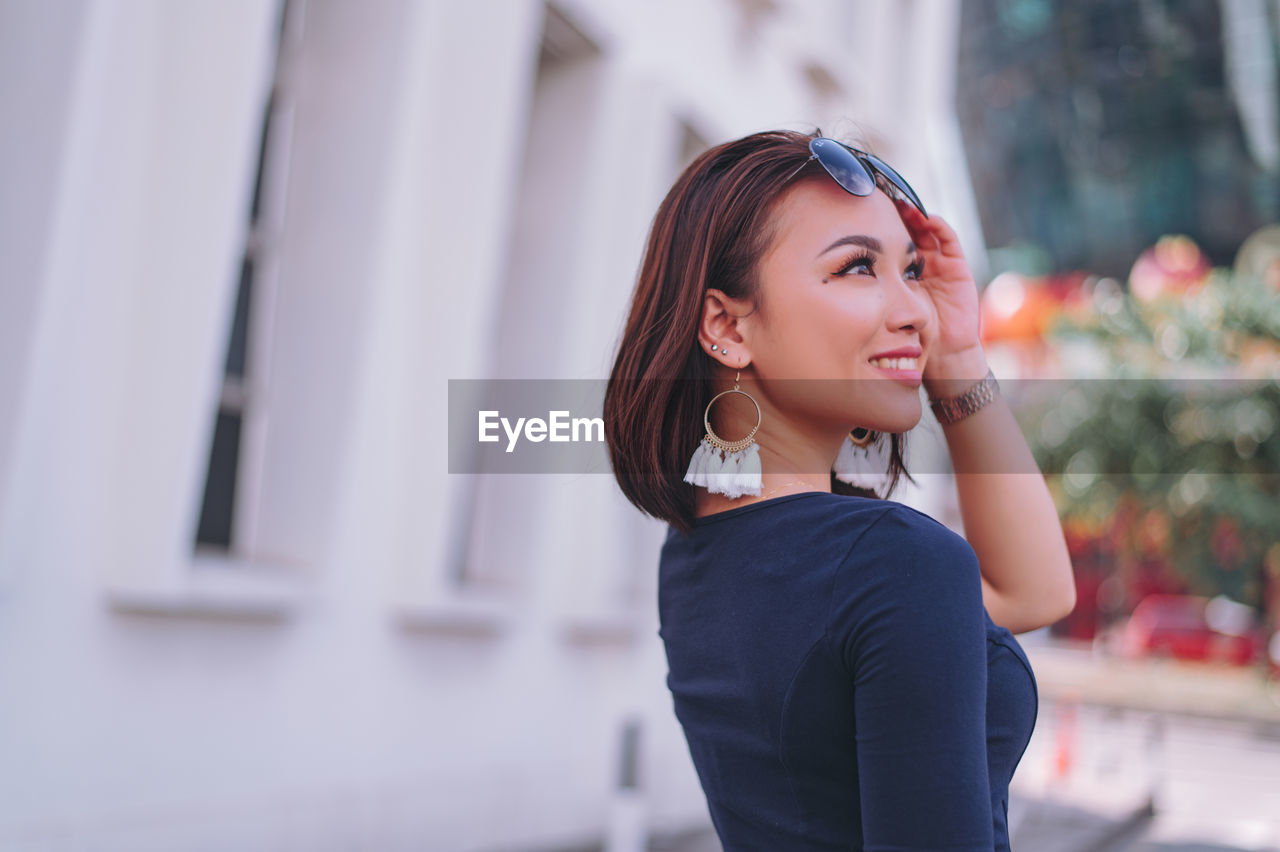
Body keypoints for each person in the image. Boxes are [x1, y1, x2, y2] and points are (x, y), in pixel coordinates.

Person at [603, 129, 1076, 850]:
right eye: (858, 267)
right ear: (728, 326)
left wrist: (956, 355)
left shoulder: (697, 553)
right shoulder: (892, 561)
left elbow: (1034, 594)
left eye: (911, 271)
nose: (916, 310)